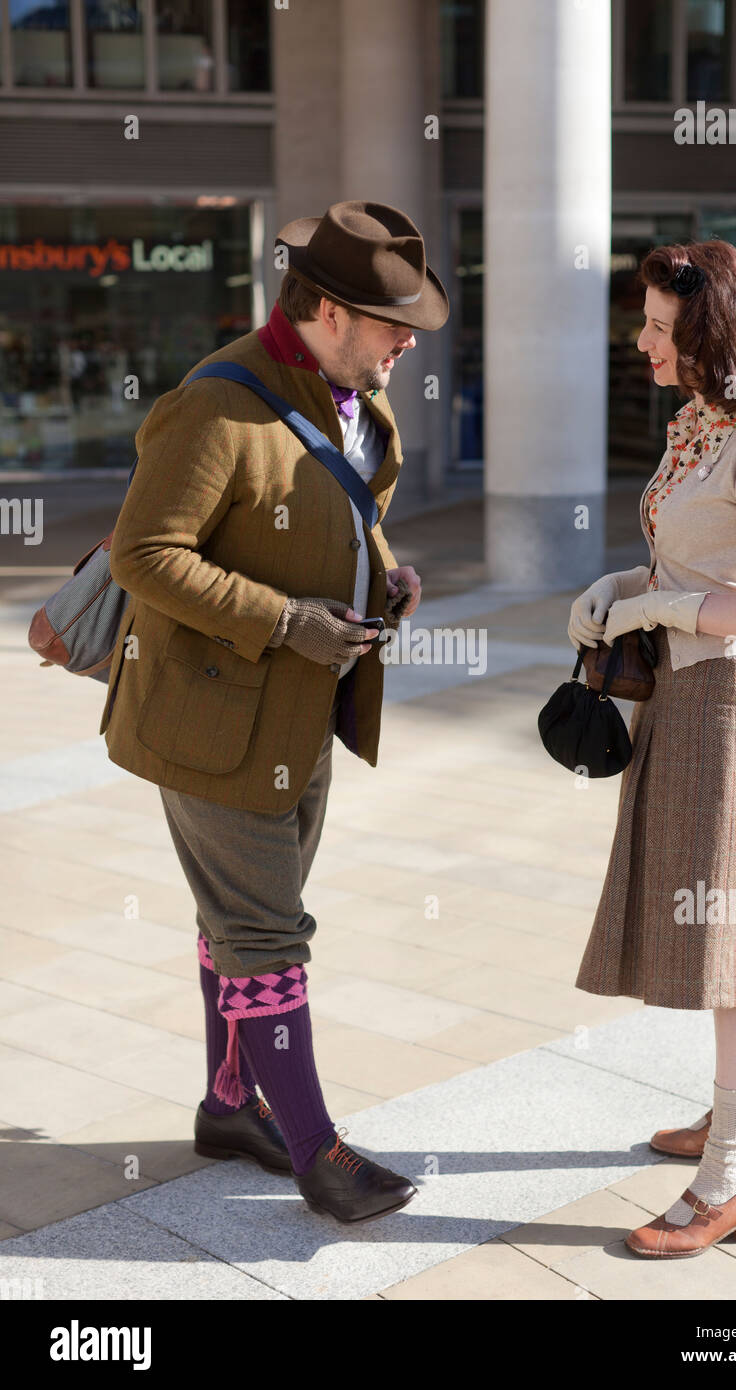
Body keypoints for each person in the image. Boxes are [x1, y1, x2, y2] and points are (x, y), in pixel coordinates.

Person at [100, 201, 449, 1224]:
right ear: (331, 311)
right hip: (210, 725)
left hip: (298, 719)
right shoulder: (215, 405)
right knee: (266, 933)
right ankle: (316, 1151)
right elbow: (144, 554)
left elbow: (344, 511)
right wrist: (286, 618)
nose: (408, 338)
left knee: (240, 920)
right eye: (392, 320)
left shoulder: (347, 398)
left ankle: (226, 1105)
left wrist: (384, 572)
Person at [568, 240, 736, 1258]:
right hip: (682, 693)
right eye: (645, 323)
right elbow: (692, 556)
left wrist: (662, 602)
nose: (642, 341)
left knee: (734, 941)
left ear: (708, 332)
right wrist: (626, 587)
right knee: (708, 926)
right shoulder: (694, 424)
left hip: (734, 703)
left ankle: (728, 1184)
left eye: (661, 328)